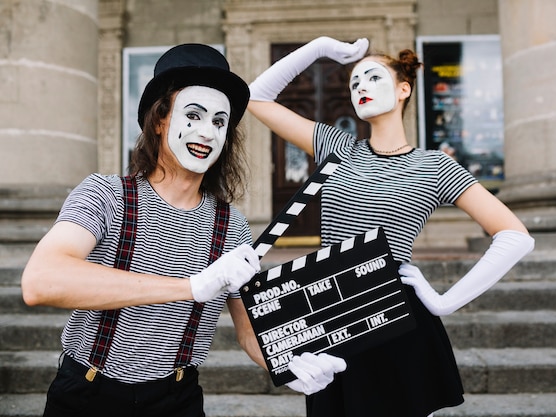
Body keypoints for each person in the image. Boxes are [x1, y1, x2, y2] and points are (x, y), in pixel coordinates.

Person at [21, 43, 345, 417]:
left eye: (219, 122)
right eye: (194, 115)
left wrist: (288, 364)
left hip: (177, 400)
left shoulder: (232, 227)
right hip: (87, 396)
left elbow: (249, 329)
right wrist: (189, 288)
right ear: (159, 119)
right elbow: (41, 280)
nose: (207, 132)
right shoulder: (106, 194)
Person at [247, 36, 535, 417]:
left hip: (397, 313)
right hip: (331, 310)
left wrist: (444, 301)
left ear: (404, 89)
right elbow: (255, 97)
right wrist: (318, 48)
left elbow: (514, 236)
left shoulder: (435, 166)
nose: (360, 86)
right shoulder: (337, 146)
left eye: (372, 77)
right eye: (353, 83)